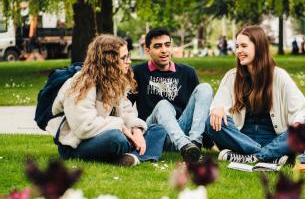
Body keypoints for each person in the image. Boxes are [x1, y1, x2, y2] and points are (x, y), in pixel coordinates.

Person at [47, 35, 167, 166]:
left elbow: (127, 112)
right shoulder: (82, 83)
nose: (129, 61)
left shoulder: (117, 81)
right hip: (77, 145)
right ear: (109, 60)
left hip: (108, 135)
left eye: (128, 56)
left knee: (158, 130)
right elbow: (84, 127)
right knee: (116, 139)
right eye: (123, 58)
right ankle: (135, 154)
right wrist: (122, 128)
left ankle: (131, 158)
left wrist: (136, 130)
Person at [206, 25, 305, 164]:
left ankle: (252, 157)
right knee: (211, 122)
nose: (239, 51)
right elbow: (218, 108)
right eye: (237, 46)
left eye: (244, 46)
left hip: (275, 139)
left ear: (259, 47)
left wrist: (297, 124)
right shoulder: (231, 77)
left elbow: (302, 110)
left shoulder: (279, 76)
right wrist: (217, 108)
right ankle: (271, 156)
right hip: (240, 139)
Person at [130, 27, 213, 163]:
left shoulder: (188, 72)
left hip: (182, 129)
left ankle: (194, 145)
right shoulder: (138, 72)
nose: (164, 50)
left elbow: (199, 109)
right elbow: (125, 106)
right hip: (155, 131)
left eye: (167, 45)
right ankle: (185, 146)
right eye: (157, 46)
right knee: (163, 104)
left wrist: (210, 143)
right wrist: (134, 131)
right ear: (147, 50)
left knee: (205, 88)